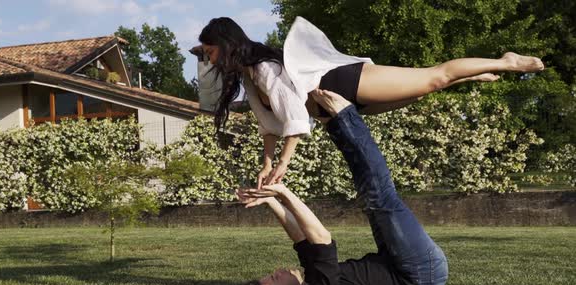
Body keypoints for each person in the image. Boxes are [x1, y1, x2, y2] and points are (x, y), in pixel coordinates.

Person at [198, 16, 544, 188]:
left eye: (211, 51)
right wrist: (266, 162)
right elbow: (269, 125)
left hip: (343, 82)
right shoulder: (249, 76)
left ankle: (505, 61)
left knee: (433, 76)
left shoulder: (264, 68)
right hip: (338, 103)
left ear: (227, 44)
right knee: (424, 88)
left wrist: (283, 162)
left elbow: (291, 114)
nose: (210, 60)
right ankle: (469, 74)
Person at [237, 89, 448, 285]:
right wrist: (284, 193)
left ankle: (332, 121)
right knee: (381, 197)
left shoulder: (313, 282)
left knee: (372, 196)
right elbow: (322, 238)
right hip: (419, 275)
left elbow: (301, 236)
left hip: (395, 262)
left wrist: (272, 202)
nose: (277, 271)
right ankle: (346, 115)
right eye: (275, 278)